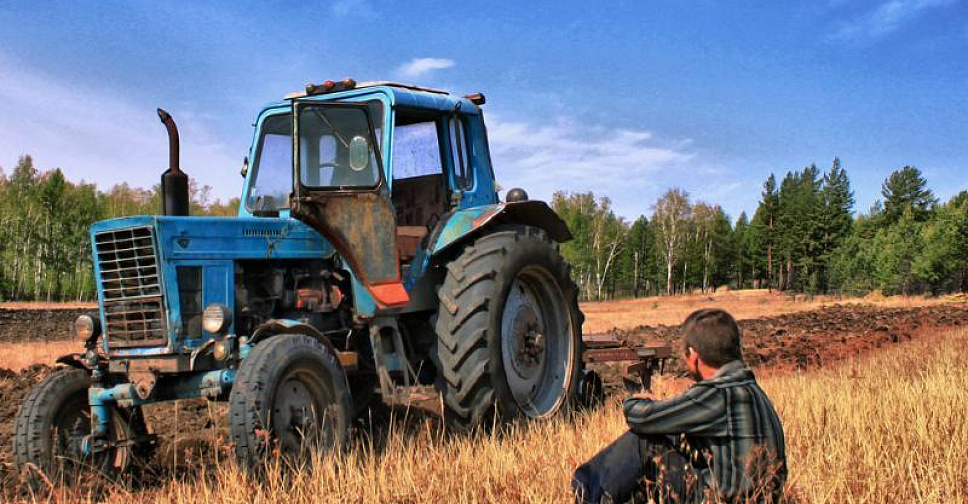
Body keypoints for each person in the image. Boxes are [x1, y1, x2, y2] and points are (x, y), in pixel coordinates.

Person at [572, 308, 786, 503]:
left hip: (725, 498)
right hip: (758, 497)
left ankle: (586, 492)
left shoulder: (718, 393)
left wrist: (635, 400)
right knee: (673, 440)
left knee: (647, 440)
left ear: (694, 356)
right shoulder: (753, 390)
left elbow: (642, 418)